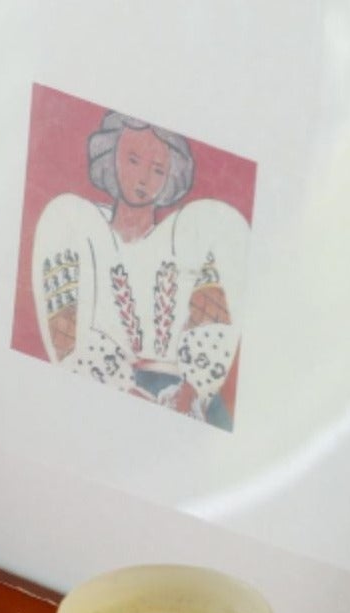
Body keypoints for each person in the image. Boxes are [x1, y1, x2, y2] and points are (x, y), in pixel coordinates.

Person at [32, 111, 249, 430]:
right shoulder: (74, 223)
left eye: (158, 169)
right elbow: (67, 343)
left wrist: (188, 393)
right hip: (98, 400)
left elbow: (214, 326)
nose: (144, 178)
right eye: (133, 161)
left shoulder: (192, 232)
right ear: (110, 156)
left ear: (171, 176)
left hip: (182, 406)